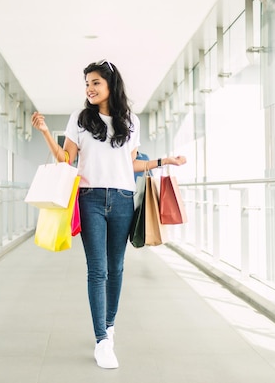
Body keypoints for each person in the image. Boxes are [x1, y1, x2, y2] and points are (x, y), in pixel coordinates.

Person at [31, 59, 186, 369]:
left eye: (95, 83)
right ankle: (101, 340)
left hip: (123, 198)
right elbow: (66, 159)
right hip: (89, 199)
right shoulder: (80, 118)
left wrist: (163, 160)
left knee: (116, 268)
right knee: (97, 269)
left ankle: (109, 328)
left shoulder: (130, 121)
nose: (89, 88)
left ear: (110, 85)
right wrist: (47, 132)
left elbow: (130, 165)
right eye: (87, 83)